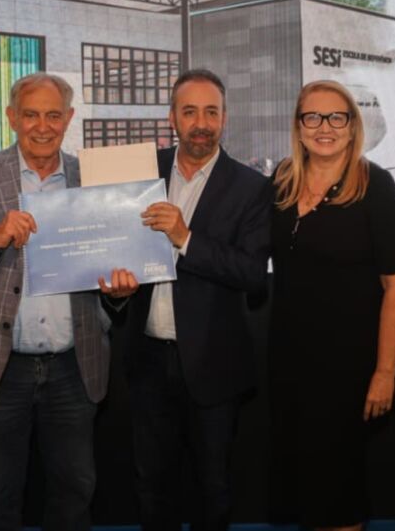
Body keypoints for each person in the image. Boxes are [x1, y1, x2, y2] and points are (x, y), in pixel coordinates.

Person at [0, 71, 137, 531]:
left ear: (69, 119)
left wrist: (118, 292)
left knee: (74, 494)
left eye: (53, 116)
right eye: (31, 115)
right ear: (11, 117)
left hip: (74, 367)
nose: (42, 126)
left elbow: (114, 264)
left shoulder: (93, 179)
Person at [126, 69, 272, 531]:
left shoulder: (252, 187)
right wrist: (114, 290)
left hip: (215, 364)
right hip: (148, 359)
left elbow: (252, 273)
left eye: (211, 112)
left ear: (225, 118)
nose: (201, 123)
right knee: (152, 488)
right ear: (172, 118)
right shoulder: (139, 173)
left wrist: (185, 238)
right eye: (190, 112)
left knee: (213, 489)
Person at [268, 79, 395, 530]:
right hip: (289, 365)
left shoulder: (376, 186)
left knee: (338, 489)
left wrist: (385, 372)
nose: (324, 127)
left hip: (347, 369)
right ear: (299, 126)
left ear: (352, 127)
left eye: (336, 117)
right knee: (305, 487)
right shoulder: (282, 182)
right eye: (313, 117)